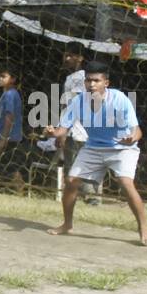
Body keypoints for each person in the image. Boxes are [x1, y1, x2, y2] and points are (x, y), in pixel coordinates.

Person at [44, 60, 147, 245]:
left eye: (96, 81)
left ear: (106, 83)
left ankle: (144, 228)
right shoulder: (78, 101)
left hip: (122, 149)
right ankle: (67, 224)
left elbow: (138, 131)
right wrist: (53, 132)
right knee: (71, 181)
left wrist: (131, 138)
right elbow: (63, 129)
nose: (91, 84)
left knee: (125, 183)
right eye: (88, 81)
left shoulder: (120, 99)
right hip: (93, 147)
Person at [58, 41, 101, 205]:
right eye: (66, 54)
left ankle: (88, 198)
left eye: (71, 55)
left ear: (80, 58)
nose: (67, 58)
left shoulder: (78, 78)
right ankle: (87, 197)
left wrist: (63, 129)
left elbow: (73, 105)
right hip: (82, 130)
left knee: (76, 165)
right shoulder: (80, 77)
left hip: (76, 131)